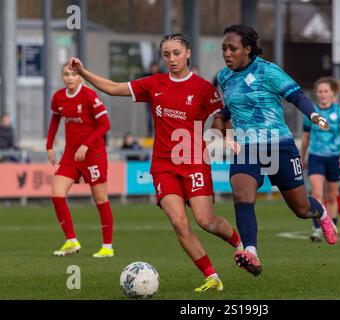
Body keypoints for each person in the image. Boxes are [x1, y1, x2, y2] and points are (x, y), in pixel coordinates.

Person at [68, 33, 243, 292]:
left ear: (188, 53)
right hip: (163, 165)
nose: (171, 59)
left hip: (194, 161)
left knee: (206, 221)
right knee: (178, 222)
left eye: (176, 53)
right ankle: (212, 276)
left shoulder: (204, 89)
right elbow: (114, 88)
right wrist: (84, 72)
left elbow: (222, 116)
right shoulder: (154, 84)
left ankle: (240, 246)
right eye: (166, 54)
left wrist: (226, 136)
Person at [212, 24, 337, 277]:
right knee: (241, 195)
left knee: (301, 209)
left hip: (279, 145)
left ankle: (321, 212)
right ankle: (251, 252)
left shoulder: (268, 71)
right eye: (224, 48)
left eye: (232, 48)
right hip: (246, 147)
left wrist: (313, 114)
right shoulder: (224, 77)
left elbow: (296, 96)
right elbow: (229, 110)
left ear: (247, 49)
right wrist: (220, 129)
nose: (226, 53)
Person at [46, 63, 115, 258]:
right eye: (66, 74)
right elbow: (54, 121)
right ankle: (71, 240)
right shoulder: (58, 97)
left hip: (93, 154)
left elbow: (105, 125)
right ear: (62, 77)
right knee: (57, 193)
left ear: (79, 77)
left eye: (73, 74)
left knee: (100, 199)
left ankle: (107, 247)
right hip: (71, 155)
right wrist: (49, 145)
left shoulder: (89, 95)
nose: (69, 78)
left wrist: (86, 145)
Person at [300, 77, 340, 242]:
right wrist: (302, 155)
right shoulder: (311, 113)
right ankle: (316, 229)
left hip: (334, 158)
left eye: (326, 91)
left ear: (332, 93)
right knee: (316, 194)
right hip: (316, 157)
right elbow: (306, 137)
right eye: (320, 91)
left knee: (332, 195)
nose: (322, 94)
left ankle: (332, 226)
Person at [141, 62, 161, 137]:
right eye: (152, 67)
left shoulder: (161, 75)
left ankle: (158, 132)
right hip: (150, 100)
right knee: (149, 117)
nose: (154, 69)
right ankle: (149, 133)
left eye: (155, 67)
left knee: (159, 116)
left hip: (159, 100)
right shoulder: (147, 75)